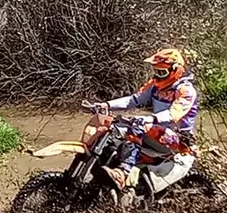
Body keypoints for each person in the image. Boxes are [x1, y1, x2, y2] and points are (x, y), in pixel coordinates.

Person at [84, 48, 200, 195]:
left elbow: (173, 114)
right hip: (156, 132)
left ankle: (123, 173)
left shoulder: (185, 90)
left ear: (175, 70)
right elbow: (134, 100)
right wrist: (106, 105)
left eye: (162, 72)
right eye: (156, 71)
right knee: (112, 128)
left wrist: (151, 118)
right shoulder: (155, 86)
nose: (158, 75)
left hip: (178, 140)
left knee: (138, 125)